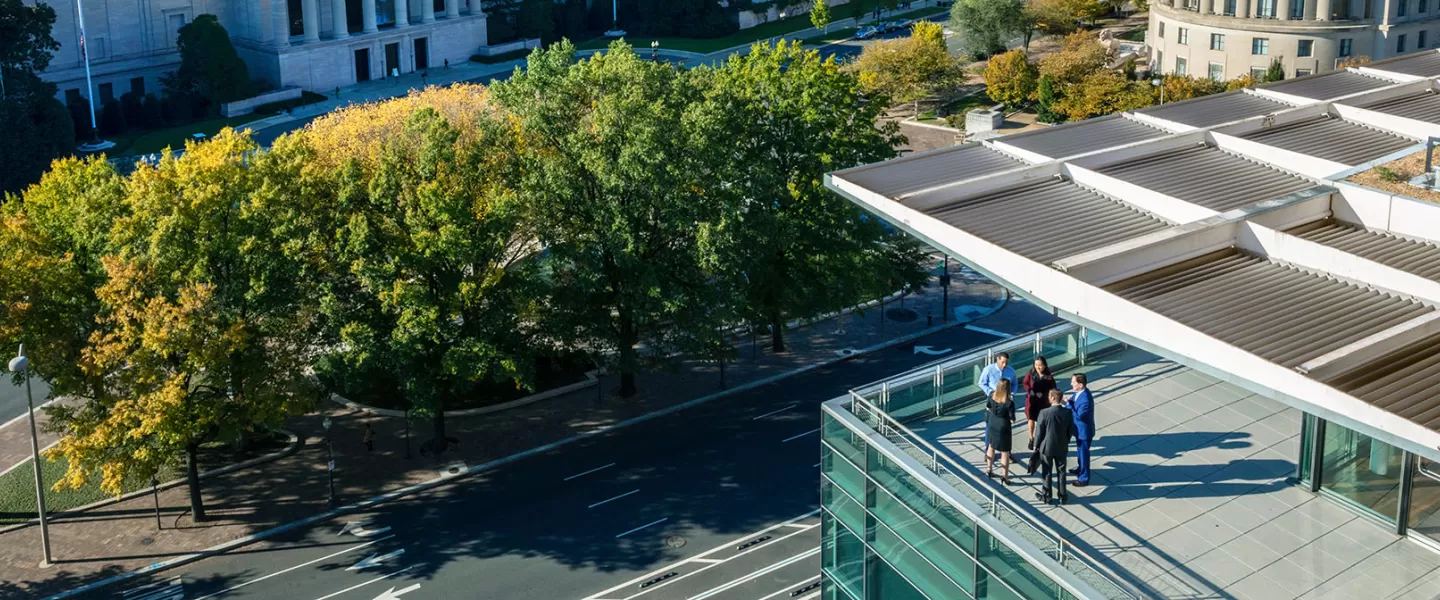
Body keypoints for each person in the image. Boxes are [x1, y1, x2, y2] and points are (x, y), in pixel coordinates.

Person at [1033, 389, 1076, 505]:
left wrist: (1036, 445)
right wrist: (1065, 441)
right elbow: (1070, 430)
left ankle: (1047, 496)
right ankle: (1063, 496)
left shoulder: (1044, 413)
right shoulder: (1067, 412)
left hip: (1047, 447)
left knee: (1047, 471)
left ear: (1052, 398)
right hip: (1061, 446)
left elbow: (1039, 432)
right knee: (1061, 472)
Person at [978, 352, 1015, 447]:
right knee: (990, 425)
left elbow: (1014, 383)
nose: (1005, 365)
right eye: (1003, 362)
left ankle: (1007, 450)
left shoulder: (1010, 371)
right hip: (993, 399)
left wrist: (1012, 393)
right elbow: (982, 383)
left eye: (1006, 362)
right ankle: (988, 449)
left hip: (1005, 401)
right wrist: (990, 392)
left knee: (1006, 426)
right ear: (997, 359)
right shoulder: (988, 370)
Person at [985, 379, 1016, 486]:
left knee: (991, 446)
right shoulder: (1009, 402)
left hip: (993, 423)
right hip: (1004, 427)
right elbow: (1012, 418)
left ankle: (989, 470)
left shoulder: (991, 397)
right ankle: (1005, 477)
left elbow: (988, 408)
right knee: (1005, 452)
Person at [1067, 373, 1096, 487]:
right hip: (1079, 431)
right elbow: (1073, 401)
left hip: (1084, 432)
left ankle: (1084, 478)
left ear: (1080, 384)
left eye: (1073, 382)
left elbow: (1079, 415)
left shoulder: (1086, 400)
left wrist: (1068, 405)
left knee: (1084, 455)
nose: (1071, 384)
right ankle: (1080, 468)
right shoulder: (1078, 393)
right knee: (1080, 452)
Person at [1022, 356, 1056, 451]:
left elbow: (1053, 390)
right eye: (1036, 365)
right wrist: (1029, 390)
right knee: (1031, 419)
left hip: (1043, 403)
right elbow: (1025, 383)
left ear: (1044, 365)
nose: (1038, 367)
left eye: (1040, 365)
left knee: (1042, 422)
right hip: (1032, 401)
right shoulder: (1031, 373)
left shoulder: (1049, 377)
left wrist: (1044, 394)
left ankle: (1041, 438)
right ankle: (1031, 438)